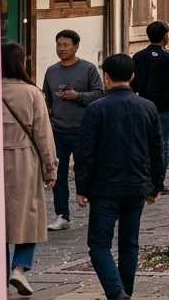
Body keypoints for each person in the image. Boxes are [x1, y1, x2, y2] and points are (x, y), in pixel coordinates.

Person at [76, 53, 166, 300]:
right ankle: (125, 291)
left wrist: (82, 187)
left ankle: (116, 291)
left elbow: (85, 152)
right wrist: (156, 184)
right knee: (129, 244)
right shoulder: (148, 107)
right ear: (132, 76)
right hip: (136, 184)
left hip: (104, 186)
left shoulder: (96, 109)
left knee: (99, 244)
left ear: (106, 77)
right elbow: (157, 149)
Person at [3, 41, 59, 296]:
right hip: (24, 161)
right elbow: (43, 135)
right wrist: (50, 169)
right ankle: (19, 268)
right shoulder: (32, 93)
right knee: (28, 216)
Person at [42, 29, 104, 232]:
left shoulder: (88, 69)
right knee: (58, 174)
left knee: (85, 170)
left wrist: (77, 96)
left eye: (66, 45)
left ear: (76, 47)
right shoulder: (51, 71)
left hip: (83, 130)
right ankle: (62, 215)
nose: (61, 48)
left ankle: (97, 210)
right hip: (58, 130)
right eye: (58, 44)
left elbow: (99, 94)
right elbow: (46, 100)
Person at [131, 20, 169, 185]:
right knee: (163, 143)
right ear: (165, 36)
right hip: (164, 105)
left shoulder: (138, 57)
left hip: (142, 103)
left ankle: (145, 177)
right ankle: (158, 180)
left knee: (143, 143)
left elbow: (134, 82)